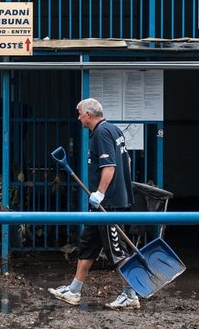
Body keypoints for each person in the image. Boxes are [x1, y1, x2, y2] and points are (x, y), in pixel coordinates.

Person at [47, 98, 140, 310]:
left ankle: (130, 295)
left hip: (110, 205)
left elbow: (110, 166)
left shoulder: (102, 132)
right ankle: (74, 290)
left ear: (89, 114)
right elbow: (127, 161)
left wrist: (100, 193)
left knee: (117, 251)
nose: (78, 117)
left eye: (79, 113)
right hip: (102, 205)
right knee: (88, 246)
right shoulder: (114, 130)